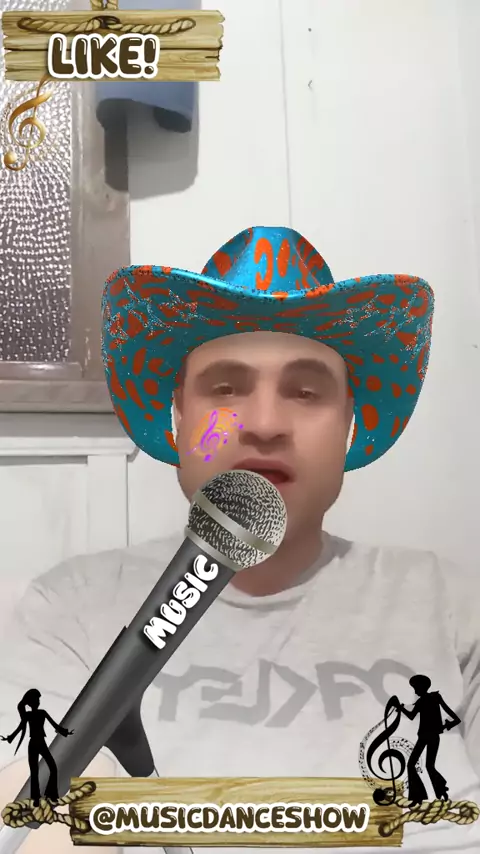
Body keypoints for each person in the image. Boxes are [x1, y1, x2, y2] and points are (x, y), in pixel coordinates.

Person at [0, 225, 479, 854]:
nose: (265, 424)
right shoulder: (68, 608)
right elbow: (29, 816)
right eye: (225, 389)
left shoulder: (452, 606)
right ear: (180, 420)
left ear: (348, 425)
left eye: (306, 392)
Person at [0, 689, 74, 807]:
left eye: (38, 699)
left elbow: (54, 725)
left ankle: (51, 794)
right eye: (37, 699)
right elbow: (20, 727)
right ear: (32, 702)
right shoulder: (29, 715)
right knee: (34, 772)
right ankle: (36, 798)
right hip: (34, 743)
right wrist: (10, 738)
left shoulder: (42, 713)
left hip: (40, 742)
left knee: (52, 767)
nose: (38, 701)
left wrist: (65, 732)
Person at [399, 674, 462, 806]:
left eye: (416, 688)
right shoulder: (424, 700)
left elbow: (456, 719)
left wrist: (446, 726)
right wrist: (401, 708)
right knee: (420, 765)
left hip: (429, 736)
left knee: (424, 765)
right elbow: (411, 716)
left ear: (422, 687)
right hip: (425, 736)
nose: (415, 691)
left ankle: (437, 791)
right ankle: (423, 795)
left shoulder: (433, 698)